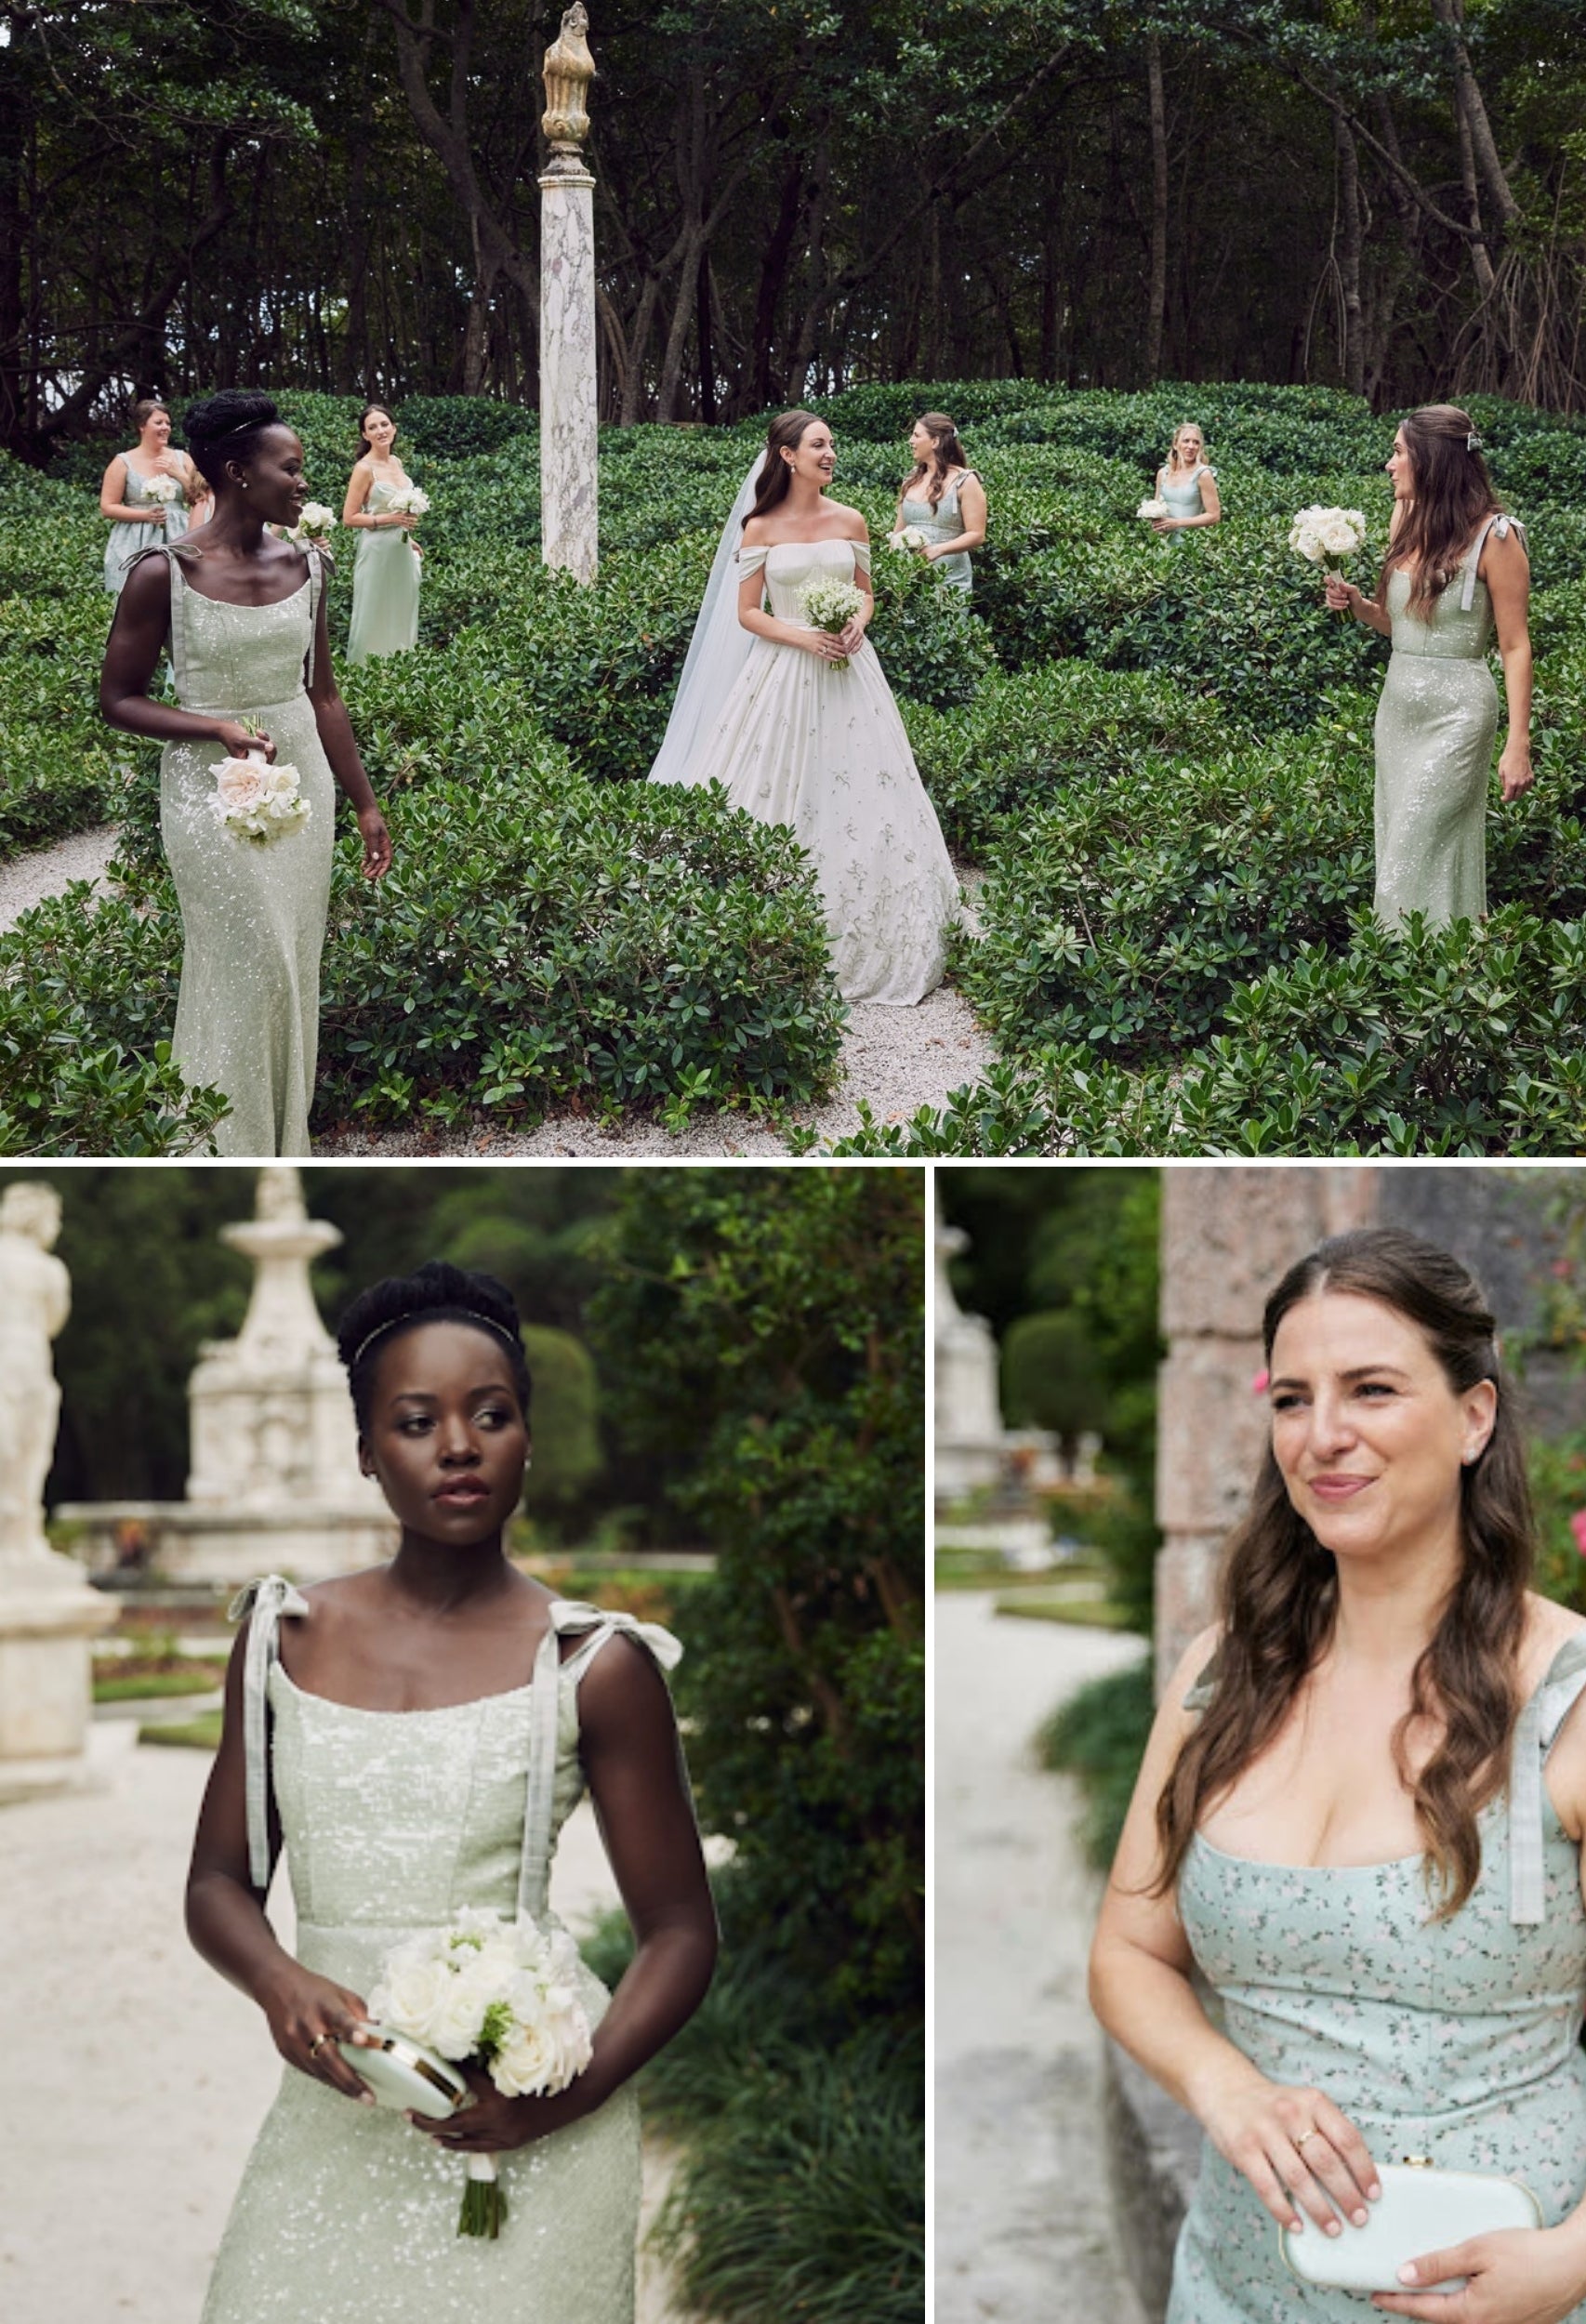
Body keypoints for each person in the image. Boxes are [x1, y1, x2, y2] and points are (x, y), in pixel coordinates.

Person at [1090, 1226, 1586, 2324]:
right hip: (1238, 2286)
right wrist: (1225, 2085)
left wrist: (1575, 2254)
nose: (1322, 1436)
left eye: (1370, 1389)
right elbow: (1127, 1951)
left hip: (1513, 2289)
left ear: (1472, 1415)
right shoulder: (1217, 1679)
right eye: (1290, 1398)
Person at [186, 1261, 719, 2324]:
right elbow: (215, 1882)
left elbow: (679, 1931)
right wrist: (281, 1984)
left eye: (492, 1414)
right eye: (417, 1421)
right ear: (366, 1454)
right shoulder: (280, 1639)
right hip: (330, 2123)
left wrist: (559, 2097)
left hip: (529, 2129)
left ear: (528, 1436)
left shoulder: (591, 1662)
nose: (460, 1446)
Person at [99, 389, 392, 1157]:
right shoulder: (161, 574)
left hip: (302, 775)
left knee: (294, 963)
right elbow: (117, 699)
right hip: (205, 786)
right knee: (249, 957)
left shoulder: (313, 564)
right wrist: (216, 729)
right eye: (289, 469)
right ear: (236, 471)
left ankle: (281, 1139)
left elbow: (323, 695)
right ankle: (220, 1143)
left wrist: (365, 804)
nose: (303, 483)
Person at [647, 408, 960, 1006]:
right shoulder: (759, 527)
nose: (831, 453)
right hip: (784, 669)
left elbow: (867, 597)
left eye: (833, 445)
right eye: (819, 445)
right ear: (788, 455)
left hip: (850, 668)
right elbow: (748, 613)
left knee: (871, 788)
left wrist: (854, 627)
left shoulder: (853, 519)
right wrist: (803, 635)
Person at [1325, 406, 1534, 928]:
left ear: (1433, 460)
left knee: (1414, 846)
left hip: (1458, 716)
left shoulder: (1498, 538)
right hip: (1397, 712)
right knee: (1398, 842)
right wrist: (1358, 604)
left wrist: (1518, 742)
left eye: (1399, 453)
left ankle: (1407, 970)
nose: (1390, 465)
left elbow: (1514, 646)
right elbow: (1404, 629)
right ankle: (1434, 972)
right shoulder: (1405, 519)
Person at [343, 402, 424, 660]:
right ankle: (365, 675)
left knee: (401, 611)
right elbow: (349, 517)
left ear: (394, 428)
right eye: (372, 427)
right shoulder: (364, 469)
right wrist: (390, 518)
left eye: (384, 424)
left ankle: (401, 674)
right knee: (374, 612)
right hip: (376, 551)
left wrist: (408, 539)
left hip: (400, 550)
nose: (380, 430)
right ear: (365, 435)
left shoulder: (397, 462)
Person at [99, 398, 203, 593]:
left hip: (179, 534)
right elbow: (107, 507)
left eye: (168, 423)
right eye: (159, 423)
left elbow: (200, 497)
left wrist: (179, 474)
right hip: (135, 538)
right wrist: (145, 516)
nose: (166, 428)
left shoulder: (182, 458)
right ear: (142, 427)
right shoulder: (123, 462)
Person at [894, 413, 988, 589]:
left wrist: (937, 550)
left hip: (950, 582)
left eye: (916, 435)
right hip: (908, 582)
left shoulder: (966, 481)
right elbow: (898, 530)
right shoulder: (909, 479)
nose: (910, 441)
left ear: (935, 441)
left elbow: (977, 534)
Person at [1150, 422, 1222, 536]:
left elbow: (1214, 515)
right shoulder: (1163, 473)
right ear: (1175, 444)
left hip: (1190, 543)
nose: (1191, 446)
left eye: (1196, 442)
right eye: (1186, 441)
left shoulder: (1203, 474)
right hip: (1163, 543)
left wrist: (1178, 523)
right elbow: (1156, 507)